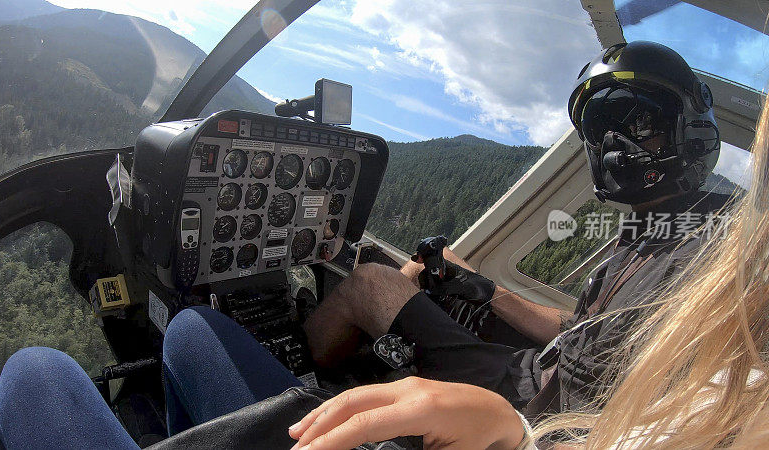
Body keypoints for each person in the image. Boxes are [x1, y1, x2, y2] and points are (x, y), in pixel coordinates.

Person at [304, 40, 726, 415]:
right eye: (602, 129)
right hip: (541, 372)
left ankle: (296, 381)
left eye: (639, 124)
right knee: (442, 260)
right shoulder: (652, 230)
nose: (616, 145)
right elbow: (583, 332)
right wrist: (485, 290)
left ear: (690, 125)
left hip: (536, 407)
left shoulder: (720, 247)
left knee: (369, 281)